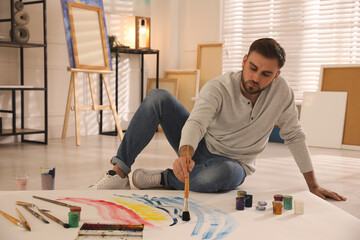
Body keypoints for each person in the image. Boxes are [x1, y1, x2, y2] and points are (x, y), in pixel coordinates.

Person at [90, 38, 346, 201]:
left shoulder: (282, 93)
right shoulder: (220, 86)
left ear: (276, 75)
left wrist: (313, 185)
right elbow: (196, 122)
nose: (256, 78)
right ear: (244, 61)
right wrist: (185, 153)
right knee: (158, 97)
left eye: (266, 74)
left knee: (222, 173)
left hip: (235, 163)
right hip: (200, 146)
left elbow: (294, 135)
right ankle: (119, 172)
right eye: (252, 68)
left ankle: (166, 179)